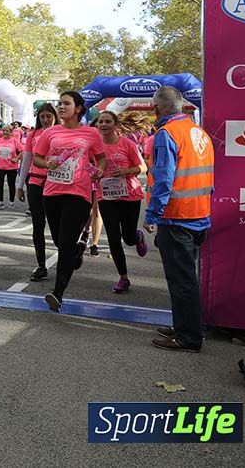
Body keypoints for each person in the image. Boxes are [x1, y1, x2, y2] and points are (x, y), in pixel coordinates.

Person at [144, 87, 214, 352]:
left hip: (177, 217)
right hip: (199, 214)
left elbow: (163, 180)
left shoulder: (166, 134)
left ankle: (188, 337)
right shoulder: (199, 132)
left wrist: (152, 215)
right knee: (187, 278)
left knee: (181, 281)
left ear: (157, 108)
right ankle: (188, 326)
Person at [33, 91, 106, 312]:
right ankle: (75, 253)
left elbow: (101, 158)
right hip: (52, 192)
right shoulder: (50, 132)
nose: (61, 107)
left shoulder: (91, 133)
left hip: (78, 193)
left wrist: (100, 170)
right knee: (59, 240)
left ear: (79, 108)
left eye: (66, 103)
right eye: (60, 103)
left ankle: (57, 293)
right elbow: (37, 157)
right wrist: (47, 165)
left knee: (65, 243)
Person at [95, 110, 148, 294]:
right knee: (113, 239)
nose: (103, 124)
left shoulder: (127, 144)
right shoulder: (95, 146)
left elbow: (143, 167)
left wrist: (126, 172)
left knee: (128, 238)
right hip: (106, 197)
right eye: (101, 121)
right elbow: (88, 166)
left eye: (107, 121)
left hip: (129, 196)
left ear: (115, 124)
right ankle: (123, 277)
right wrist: (94, 173)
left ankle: (137, 237)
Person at [18, 103, 59, 281]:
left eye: (48, 116)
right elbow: (27, 159)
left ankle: (68, 252)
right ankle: (41, 265)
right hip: (35, 181)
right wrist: (20, 185)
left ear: (55, 117)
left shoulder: (62, 132)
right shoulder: (33, 134)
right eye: (42, 116)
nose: (45, 120)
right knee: (38, 224)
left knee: (57, 224)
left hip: (57, 183)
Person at [0, 124, 23, 210]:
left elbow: (22, 151)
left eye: (7, 131)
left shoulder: (14, 141)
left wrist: (16, 158)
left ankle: (11, 202)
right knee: (0, 184)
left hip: (11, 167)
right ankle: (0, 201)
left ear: (11, 132)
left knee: (11, 184)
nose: (5, 132)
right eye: (4, 131)